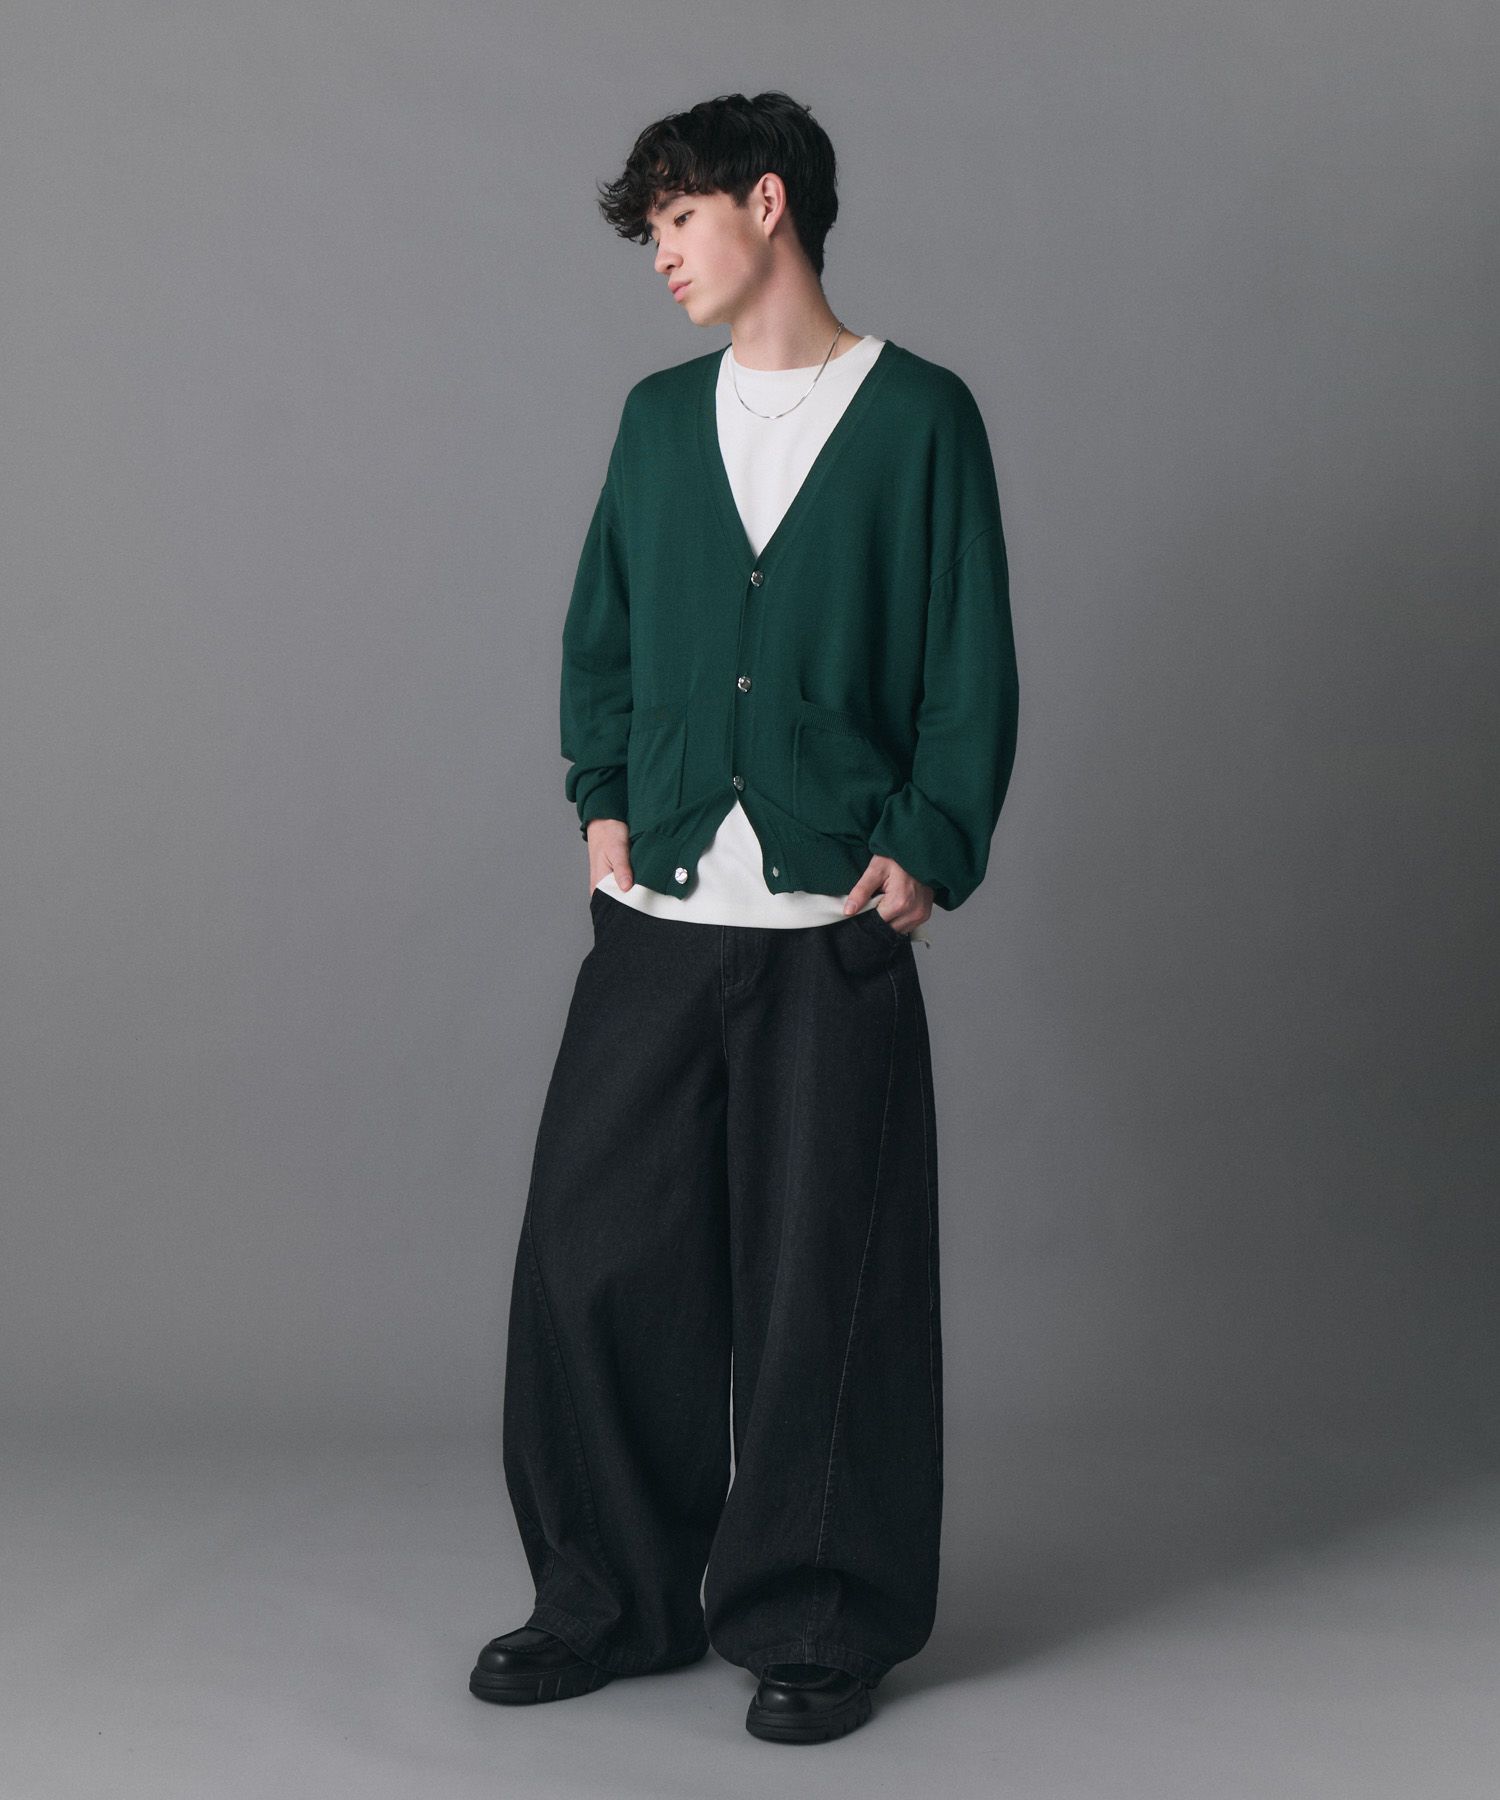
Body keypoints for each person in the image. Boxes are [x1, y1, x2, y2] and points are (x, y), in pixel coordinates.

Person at [468, 89, 1019, 1743]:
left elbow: (968, 653)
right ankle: (609, 1595)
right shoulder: (655, 422)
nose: (661, 256)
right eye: (650, 232)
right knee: (595, 1256)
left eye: (678, 221)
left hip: (832, 923)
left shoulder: (921, 417)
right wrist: (602, 801)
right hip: (657, 914)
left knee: (822, 1291)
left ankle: (817, 1615)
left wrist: (931, 842)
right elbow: (606, 630)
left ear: (766, 203)